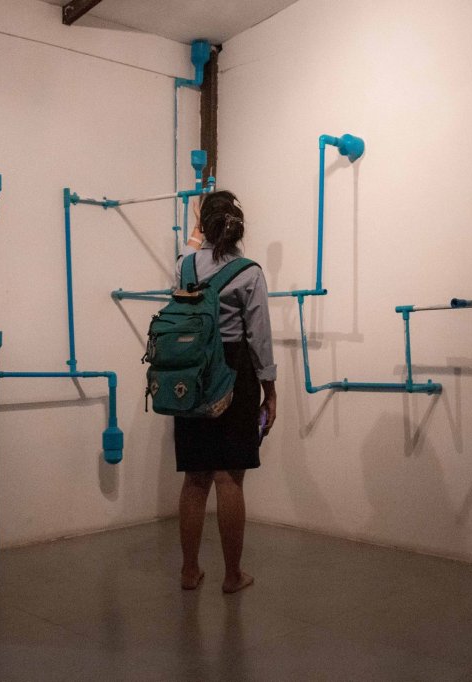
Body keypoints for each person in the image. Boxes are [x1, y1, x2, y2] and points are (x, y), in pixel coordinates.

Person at [174, 190, 276, 594]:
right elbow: (260, 340)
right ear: (237, 229)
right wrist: (271, 391)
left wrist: (195, 229)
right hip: (235, 373)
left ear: (206, 228)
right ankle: (232, 576)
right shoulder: (249, 272)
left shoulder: (184, 266)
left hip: (193, 373)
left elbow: (191, 254)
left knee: (195, 478)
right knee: (228, 477)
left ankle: (188, 571)